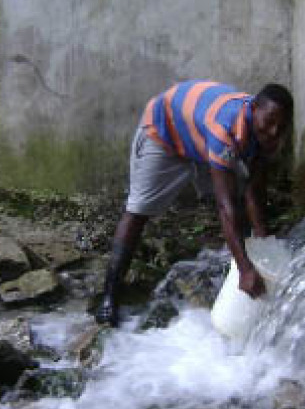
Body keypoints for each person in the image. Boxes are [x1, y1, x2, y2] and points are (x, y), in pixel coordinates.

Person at [96, 80, 294, 327]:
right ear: (254, 109)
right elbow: (225, 208)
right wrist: (246, 270)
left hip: (199, 139)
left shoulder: (267, 133)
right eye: (269, 123)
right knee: (139, 210)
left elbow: (254, 192)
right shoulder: (224, 128)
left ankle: (237, 276)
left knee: (241, 200)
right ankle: (109, 297)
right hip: (165, 132)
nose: (274, 132)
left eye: (281, 127)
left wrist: (265, 248)